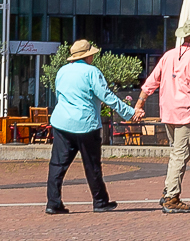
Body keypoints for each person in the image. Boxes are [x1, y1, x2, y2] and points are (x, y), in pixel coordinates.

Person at [137, 17, 190, 212]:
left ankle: (168, 190)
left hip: (168, 113)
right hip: (187, 114)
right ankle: (171, 198)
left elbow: (151, 81)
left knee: (176, 153)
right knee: (180, 156)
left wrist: (140, 101)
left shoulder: (168, 56)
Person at [48, 38, 138, 214]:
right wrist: (129, 112)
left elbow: (59, 93)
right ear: (88, 56)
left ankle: (53, 202)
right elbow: (107, 96)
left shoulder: (62, 71)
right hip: (86, 123)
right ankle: (100, 201)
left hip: (62, 122)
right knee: (92, 165)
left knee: (57, 165)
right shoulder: (92, 72)